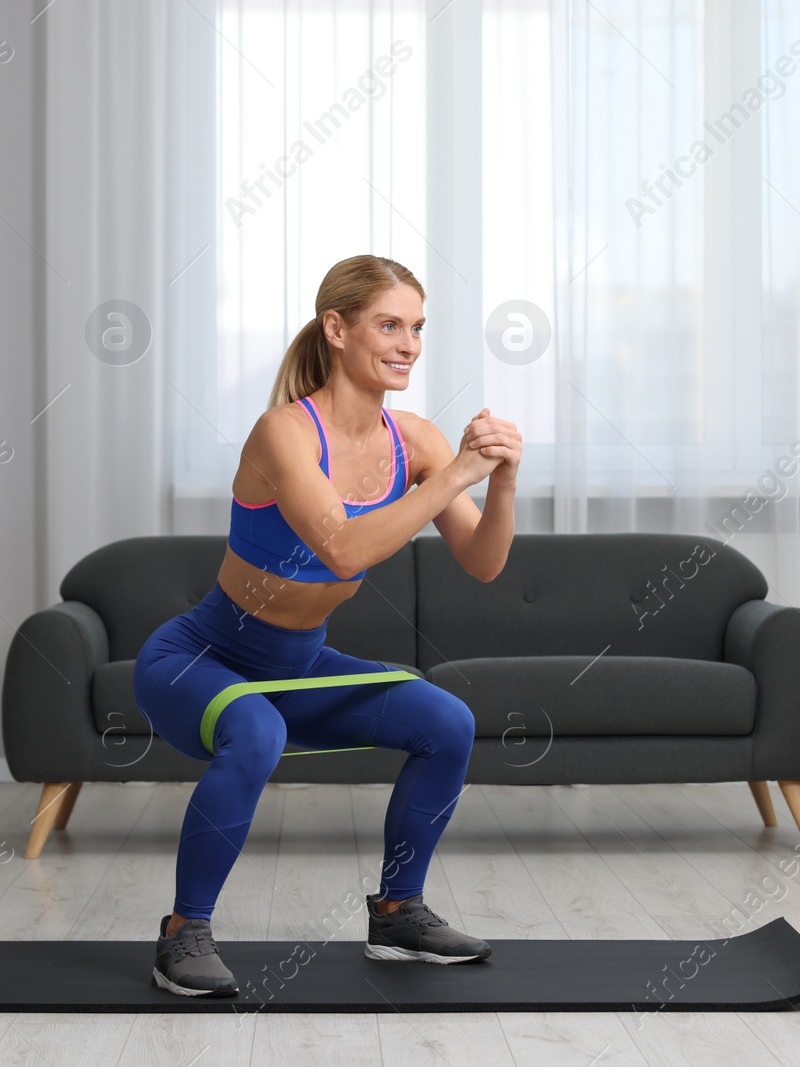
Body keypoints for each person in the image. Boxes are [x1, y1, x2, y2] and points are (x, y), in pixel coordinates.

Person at [132, 254, 522, 997]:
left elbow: (483, 560)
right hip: (200, 657)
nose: (408, 343)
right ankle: (183, 933)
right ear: (337, 328)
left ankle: (399, 910)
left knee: (448, 720)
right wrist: (455, 474)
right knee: (257, 732)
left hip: (298, 666)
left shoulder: (417, 441)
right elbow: (342, 544)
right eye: (389, 324)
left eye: (417, 328)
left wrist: (499, 477)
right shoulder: (285, 432)